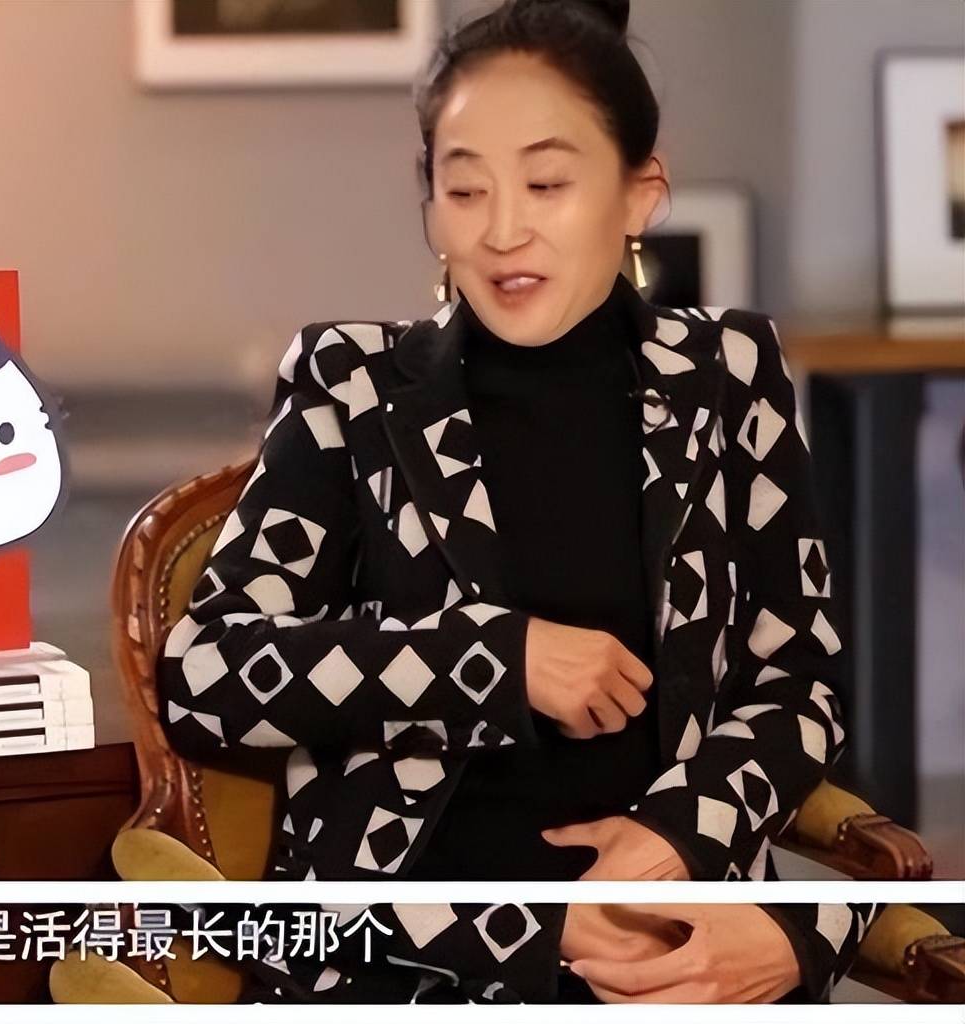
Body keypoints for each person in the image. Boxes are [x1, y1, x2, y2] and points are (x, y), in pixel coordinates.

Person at [154, 0, 875, 1004]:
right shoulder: (352, 386)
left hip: (678, 937)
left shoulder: (728, 376)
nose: (501, 231)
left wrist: (682, 843)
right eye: (463, 189)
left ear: (639, 194)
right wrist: (497, 659)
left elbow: (799, 681)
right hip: (419, 956)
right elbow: (209, 675)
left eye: (546, 183)